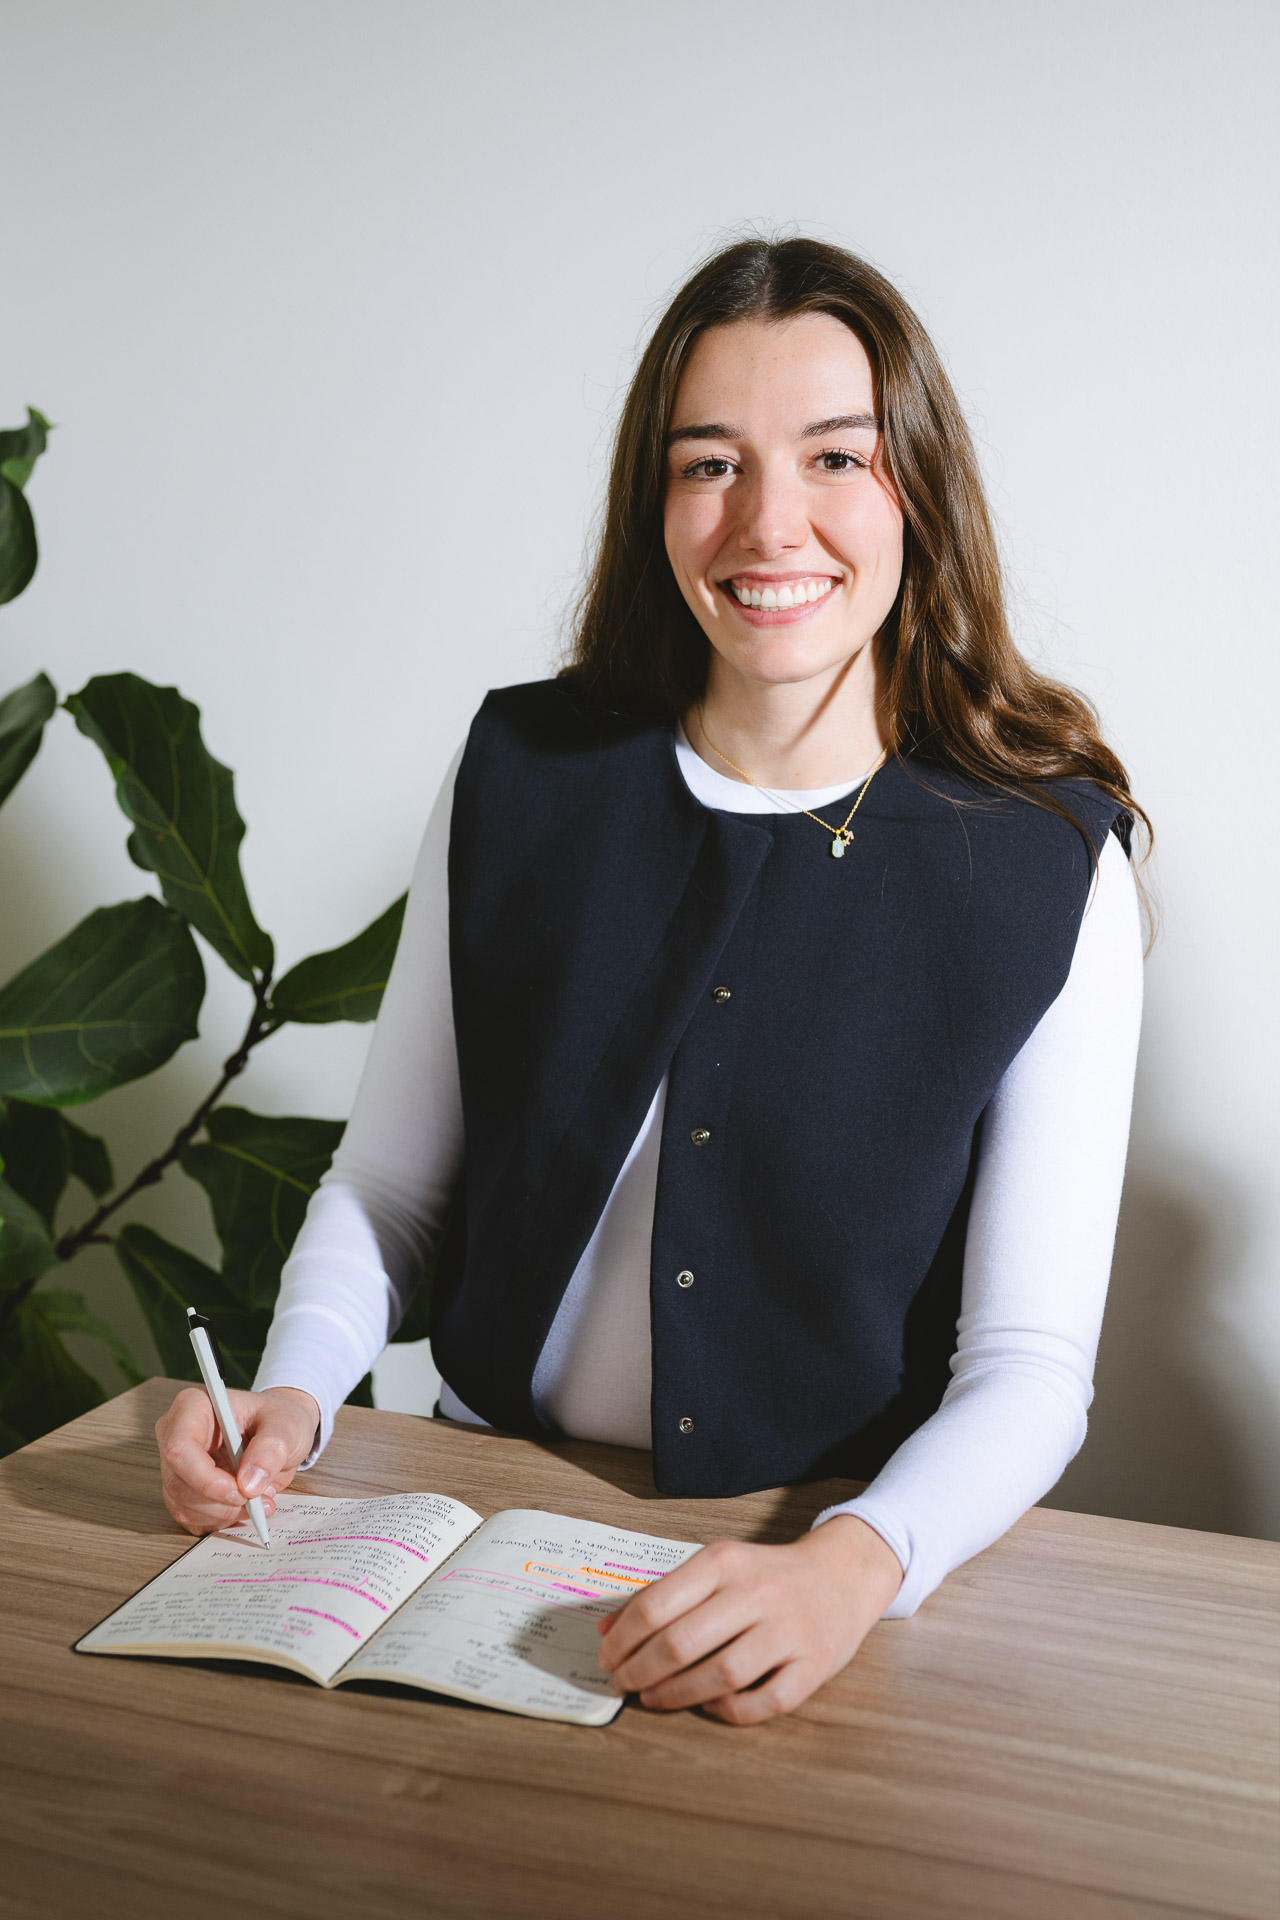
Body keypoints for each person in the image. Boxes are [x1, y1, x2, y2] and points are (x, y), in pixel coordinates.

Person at [154, 237, 1146, 1725]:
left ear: (917, 490)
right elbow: (395, 1193)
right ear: (655, 500)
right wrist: (294, 1394)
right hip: (466, 1514)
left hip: (803, 1551)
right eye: (709, 465)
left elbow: (1028, 1364)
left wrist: (852, 1565)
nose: (770, 522)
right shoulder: (517, 771)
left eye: (835, 457)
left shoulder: (1046, 856)